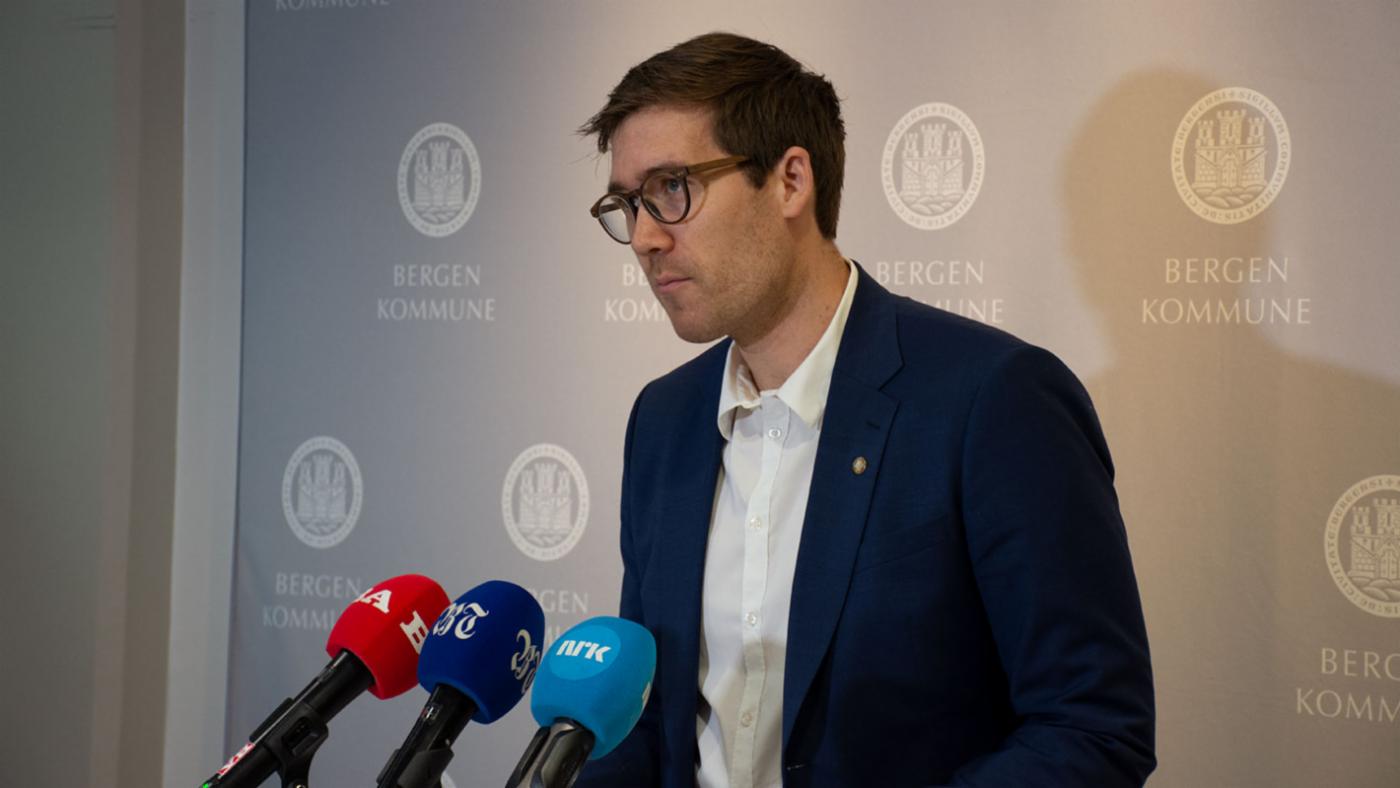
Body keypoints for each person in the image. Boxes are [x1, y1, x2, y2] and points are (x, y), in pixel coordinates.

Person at [574, 32, 1155, 788]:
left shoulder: (994, 398)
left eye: (672, 188)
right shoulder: (663, 419)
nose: (646, 238)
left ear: (790, 181)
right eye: (628, 204)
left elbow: (1091, 726)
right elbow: (648, 718)